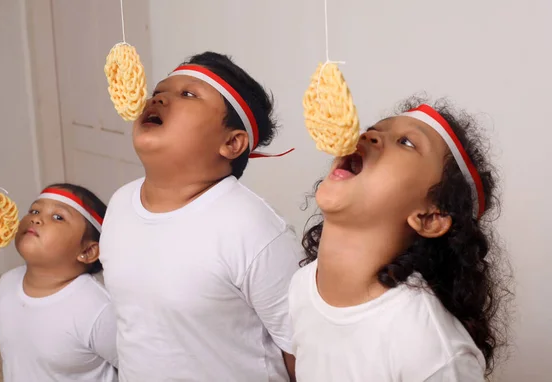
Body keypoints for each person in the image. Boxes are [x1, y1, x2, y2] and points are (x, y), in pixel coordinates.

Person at [99, 52, 300, 381]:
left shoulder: (252, 228)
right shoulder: (121, 203)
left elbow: (299, 349)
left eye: (188, 94)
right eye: (158, 92)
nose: (160, 97)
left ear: (232, 143)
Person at [289, 99, 510, 381]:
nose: (368, 135)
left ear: (430, 217)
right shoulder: (302, 288)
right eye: (372, 129)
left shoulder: (430, 350)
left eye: (406, 142)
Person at [0, 184, 118, 382]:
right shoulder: (6, 284)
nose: (35, 218)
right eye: (34, 210)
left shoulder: (96, 308)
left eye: (58, 217)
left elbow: (137, 367)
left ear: (87, 252)